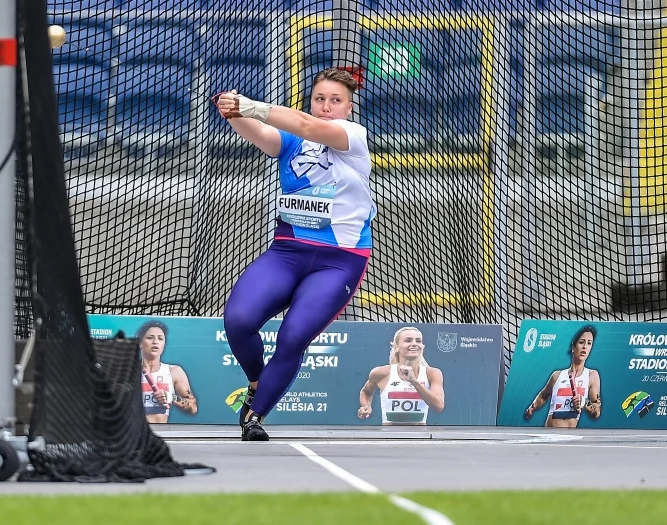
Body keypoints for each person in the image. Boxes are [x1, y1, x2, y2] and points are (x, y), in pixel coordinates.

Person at [214, 67, 376, 441]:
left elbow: (305, 125)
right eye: (319, 99)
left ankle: (255, 416)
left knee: (292, 338)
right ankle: (257, 382)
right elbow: (267, 135)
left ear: (349, 108)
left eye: (335, 101)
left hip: (340, 260)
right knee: (238, 320)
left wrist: (251, 105)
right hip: (287, 252)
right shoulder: (292, 140)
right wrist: (234, 112)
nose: (326, 106)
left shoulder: (352, 136)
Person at [356, 327, 445, 425]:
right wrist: (366, 406)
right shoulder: (381, 373)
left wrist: (414, 382)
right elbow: (366, 392)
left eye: (418, 341)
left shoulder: (432, 373)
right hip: (389, 436)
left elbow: (439, 406)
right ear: (396, 347)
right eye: (408, 340)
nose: (414, 344)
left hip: (419, 437)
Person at [524, 325, 601, 428]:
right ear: (573, 347)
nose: (585, 347)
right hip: (548, 432)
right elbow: (543, 396)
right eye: (582, 342)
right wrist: (532, 408)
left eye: (589, 343)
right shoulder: (557, 375)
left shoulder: (592, 375)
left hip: (568, 438)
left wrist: (584, 402)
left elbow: (597, 412)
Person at [137, 320, 198, 424]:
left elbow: (193, 407)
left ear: (164, 344)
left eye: (160, 338)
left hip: (158, 434)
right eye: (150, 337)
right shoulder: (128, 370)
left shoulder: (174, 371)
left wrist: (171, 397)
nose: (155, 342)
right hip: (131, 434)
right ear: (140, 343)